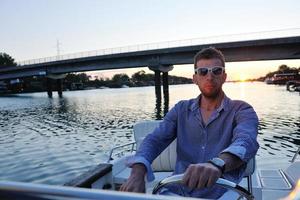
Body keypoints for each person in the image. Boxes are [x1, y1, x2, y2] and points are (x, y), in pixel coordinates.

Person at [120, 47, 259, 199]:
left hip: (222, 191)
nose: (209, 77)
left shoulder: (242, 109)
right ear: (195, 78)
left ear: (224, 76)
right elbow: (155, 139)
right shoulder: (181, 109)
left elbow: (246, 141)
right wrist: (138, 171)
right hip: (177, 189)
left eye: (216, 71)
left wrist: (217, 164)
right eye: (203, 71)